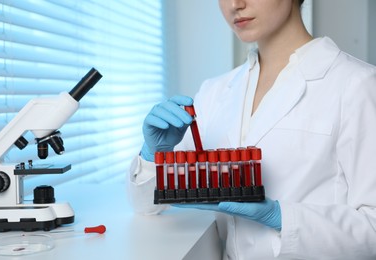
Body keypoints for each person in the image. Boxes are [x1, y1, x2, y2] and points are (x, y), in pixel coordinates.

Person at [127, 0, 376, 259]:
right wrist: (153, 155)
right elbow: (148, 207)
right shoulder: (215, 91)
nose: (236, 5)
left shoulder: (358, 85)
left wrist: (282, 218)